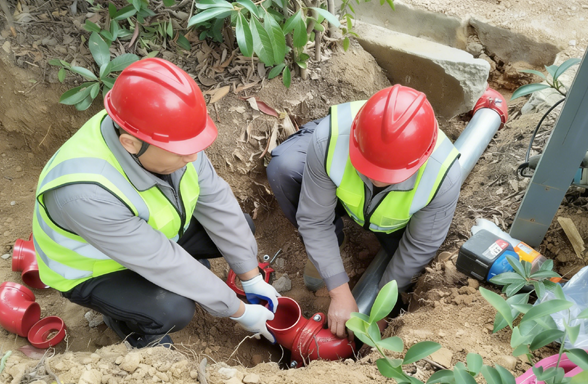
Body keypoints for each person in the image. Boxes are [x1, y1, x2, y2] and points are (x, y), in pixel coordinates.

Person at [32, 58, 280, 348]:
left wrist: (250, 277)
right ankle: (127, 323)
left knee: (240, 229)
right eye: (181, 150)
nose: (193, 156)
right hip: (98, 270)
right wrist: (239, 311)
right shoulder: (86, 193)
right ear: (130, 143)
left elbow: (218, 204)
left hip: (148, 238)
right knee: (174, 308)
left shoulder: (163, 133)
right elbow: (163, 262)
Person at [267, 85, 462, 338]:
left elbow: (419, 246)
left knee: (412, 273)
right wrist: (338, 290)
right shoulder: (330, 139)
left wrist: (382, 310)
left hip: (396, 225)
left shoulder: (442, 175)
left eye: (388, 175)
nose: (375, 179)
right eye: (368, 168)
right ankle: (332, 244)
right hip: (340, 198)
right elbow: (314, 219)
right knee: (285, 168)